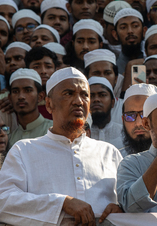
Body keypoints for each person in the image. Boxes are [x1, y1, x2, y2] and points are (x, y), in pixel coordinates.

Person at [0, 67, 123, 225]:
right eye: (68, 93)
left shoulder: (109, 152)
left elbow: (129, 202)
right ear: (49, 104)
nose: (78, 101)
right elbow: (3, 201)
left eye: (84, 95)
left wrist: (120, 208)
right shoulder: (24, 151)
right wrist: (62, 203)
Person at [8, 68, 53, 147]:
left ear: (40, 96)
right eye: (15, 91)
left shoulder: (54, 130)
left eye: (28, 90)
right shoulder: (10, 139)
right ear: (10, 98)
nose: (21, 96)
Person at [121, 83, 157, 155]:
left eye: (145, 114)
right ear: (123, 120)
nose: (138, 123)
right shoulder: (116, 158)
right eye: (130, 116)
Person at [89, 76, 124, 152]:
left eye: (102, 95)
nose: (96, 99)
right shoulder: (79, 135)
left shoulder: (124, 133)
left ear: (112, 102)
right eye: (91, 96)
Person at [112, 8, 147, 73]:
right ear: (115, 35)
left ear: (144, 31)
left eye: (135, 26)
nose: (130, 31)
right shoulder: (113, 67)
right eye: (123, 27)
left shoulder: (151, 62)